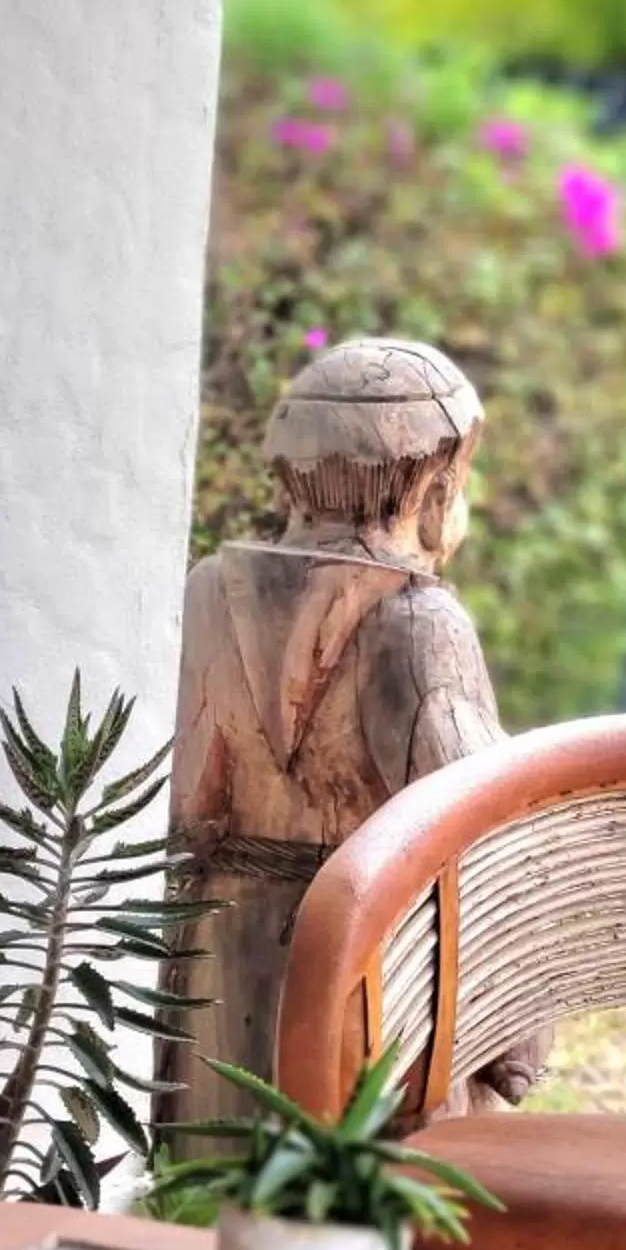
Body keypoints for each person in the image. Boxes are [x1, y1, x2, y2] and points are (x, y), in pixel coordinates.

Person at [165, 335, 539, 1129]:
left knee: (216, 1200)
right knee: (371, 1217)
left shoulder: (210, 593)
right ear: (435, 489)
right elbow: (482, 834)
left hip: (224, 974)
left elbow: (191, 814)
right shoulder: (420, 621)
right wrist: (517, 1037)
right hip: (367, 970)